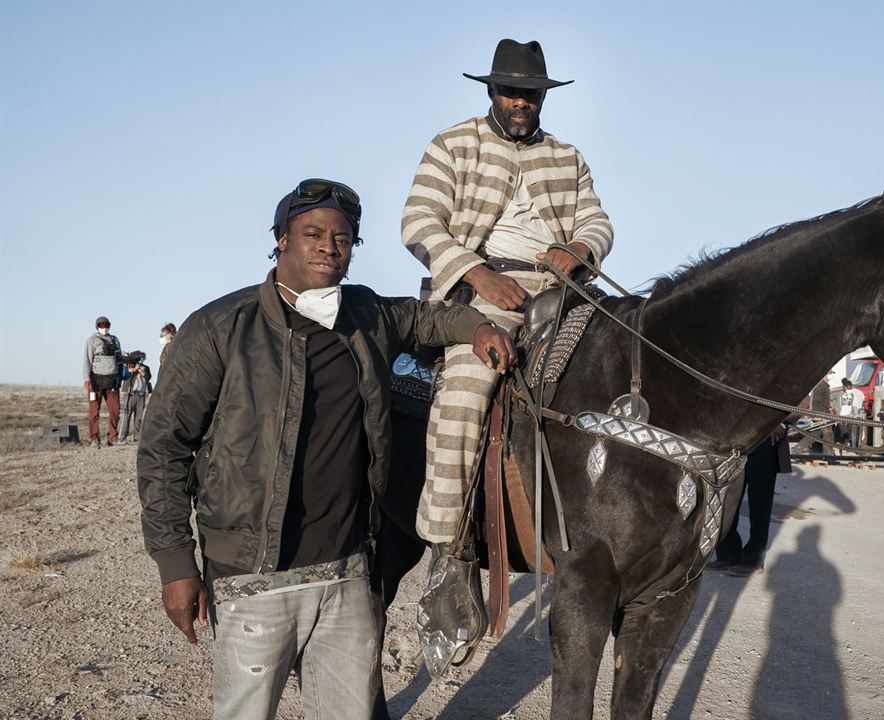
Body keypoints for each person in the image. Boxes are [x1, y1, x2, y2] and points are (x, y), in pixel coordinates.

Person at [137, 179, 515, 719]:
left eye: (343, 239)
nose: (327, 247)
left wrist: (477, 325)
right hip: (251, 577)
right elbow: (162, 448)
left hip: (346, 574)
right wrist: (176, 564)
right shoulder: (221, 327)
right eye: (312, 233)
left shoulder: (362, 315)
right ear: (281, 241)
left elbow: (426, 317)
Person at [402, 38, 614, 547]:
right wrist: (477, 275)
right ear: (493, 90)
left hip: (565, 293)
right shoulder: (453, 144)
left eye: (532, 94)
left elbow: (597, 220)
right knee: (467, 390)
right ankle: (447, 548)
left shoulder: (567, 157)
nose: (522, 102)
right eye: (512, 92)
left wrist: (582, 246)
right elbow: (418, 221)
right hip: (486, 292)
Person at [708, 423, 792, 576]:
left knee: (759, 500)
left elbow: (801, 400)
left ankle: (753, 559)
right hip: (734, 437)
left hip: (765, 437)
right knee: (727, 498)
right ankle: (728, 554)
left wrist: (782, 422)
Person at [82, 316, 123, 447]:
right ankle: (94, 438)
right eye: (101, 325)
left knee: (115, 410)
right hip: (96, 381)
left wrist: (121, 375)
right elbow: (87, 361)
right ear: (97, 326)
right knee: (94, 412)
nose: (104, 327)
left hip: (112, 380)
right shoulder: (92, 341)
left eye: (106, 325)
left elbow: (119, 359)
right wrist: (86, 379)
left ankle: (112, 437)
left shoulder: (115, 340)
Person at [118, 356, 152, 443]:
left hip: (141, 395)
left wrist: (142, 372)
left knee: (139, 418)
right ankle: (122, 437)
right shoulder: (128, 366)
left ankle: (137, 437)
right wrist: (133, 370)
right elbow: (125, 374)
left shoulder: (145, 367)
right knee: (126, 416)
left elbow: (148, 377)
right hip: (130, 394)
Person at [831, 377, 865, 448]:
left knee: (849, 432)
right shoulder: (840, 394)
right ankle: (847, 444)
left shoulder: (851, 394)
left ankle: (849, 445)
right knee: (846, 432)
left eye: (850, 388)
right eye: (848, 388)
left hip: (850, 416)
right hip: (844, 416)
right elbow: (834, 402)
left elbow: (853, 405)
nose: (849, 390)